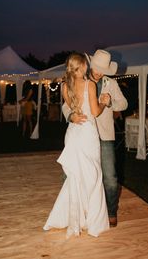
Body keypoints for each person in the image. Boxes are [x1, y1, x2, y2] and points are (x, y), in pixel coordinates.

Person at [43, 52, 111, 238]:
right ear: (81, 67)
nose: (88, 68)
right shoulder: (90, 84)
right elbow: (95, 112)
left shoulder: (65, 86)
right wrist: (103, 103)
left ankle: (77, 218)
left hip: (73, 134)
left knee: (76, 177)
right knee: (93, 177)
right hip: (88, 133)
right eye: (86, 66)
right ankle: (93, 222)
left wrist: (74, 115)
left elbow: (72, 107)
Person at [62, 49, 128, 227]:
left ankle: (111, 211)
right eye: (96, 68)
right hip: (82, 134)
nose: (98, 72)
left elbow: (124, 103)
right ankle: (77, 211)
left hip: (104, 136)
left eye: (102, 70)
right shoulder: (78, 81)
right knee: (76, 173)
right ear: (90, 65)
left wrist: (110, 102)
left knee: (110, 178)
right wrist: (71, 116)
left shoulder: (111, 84)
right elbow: (65, 106)